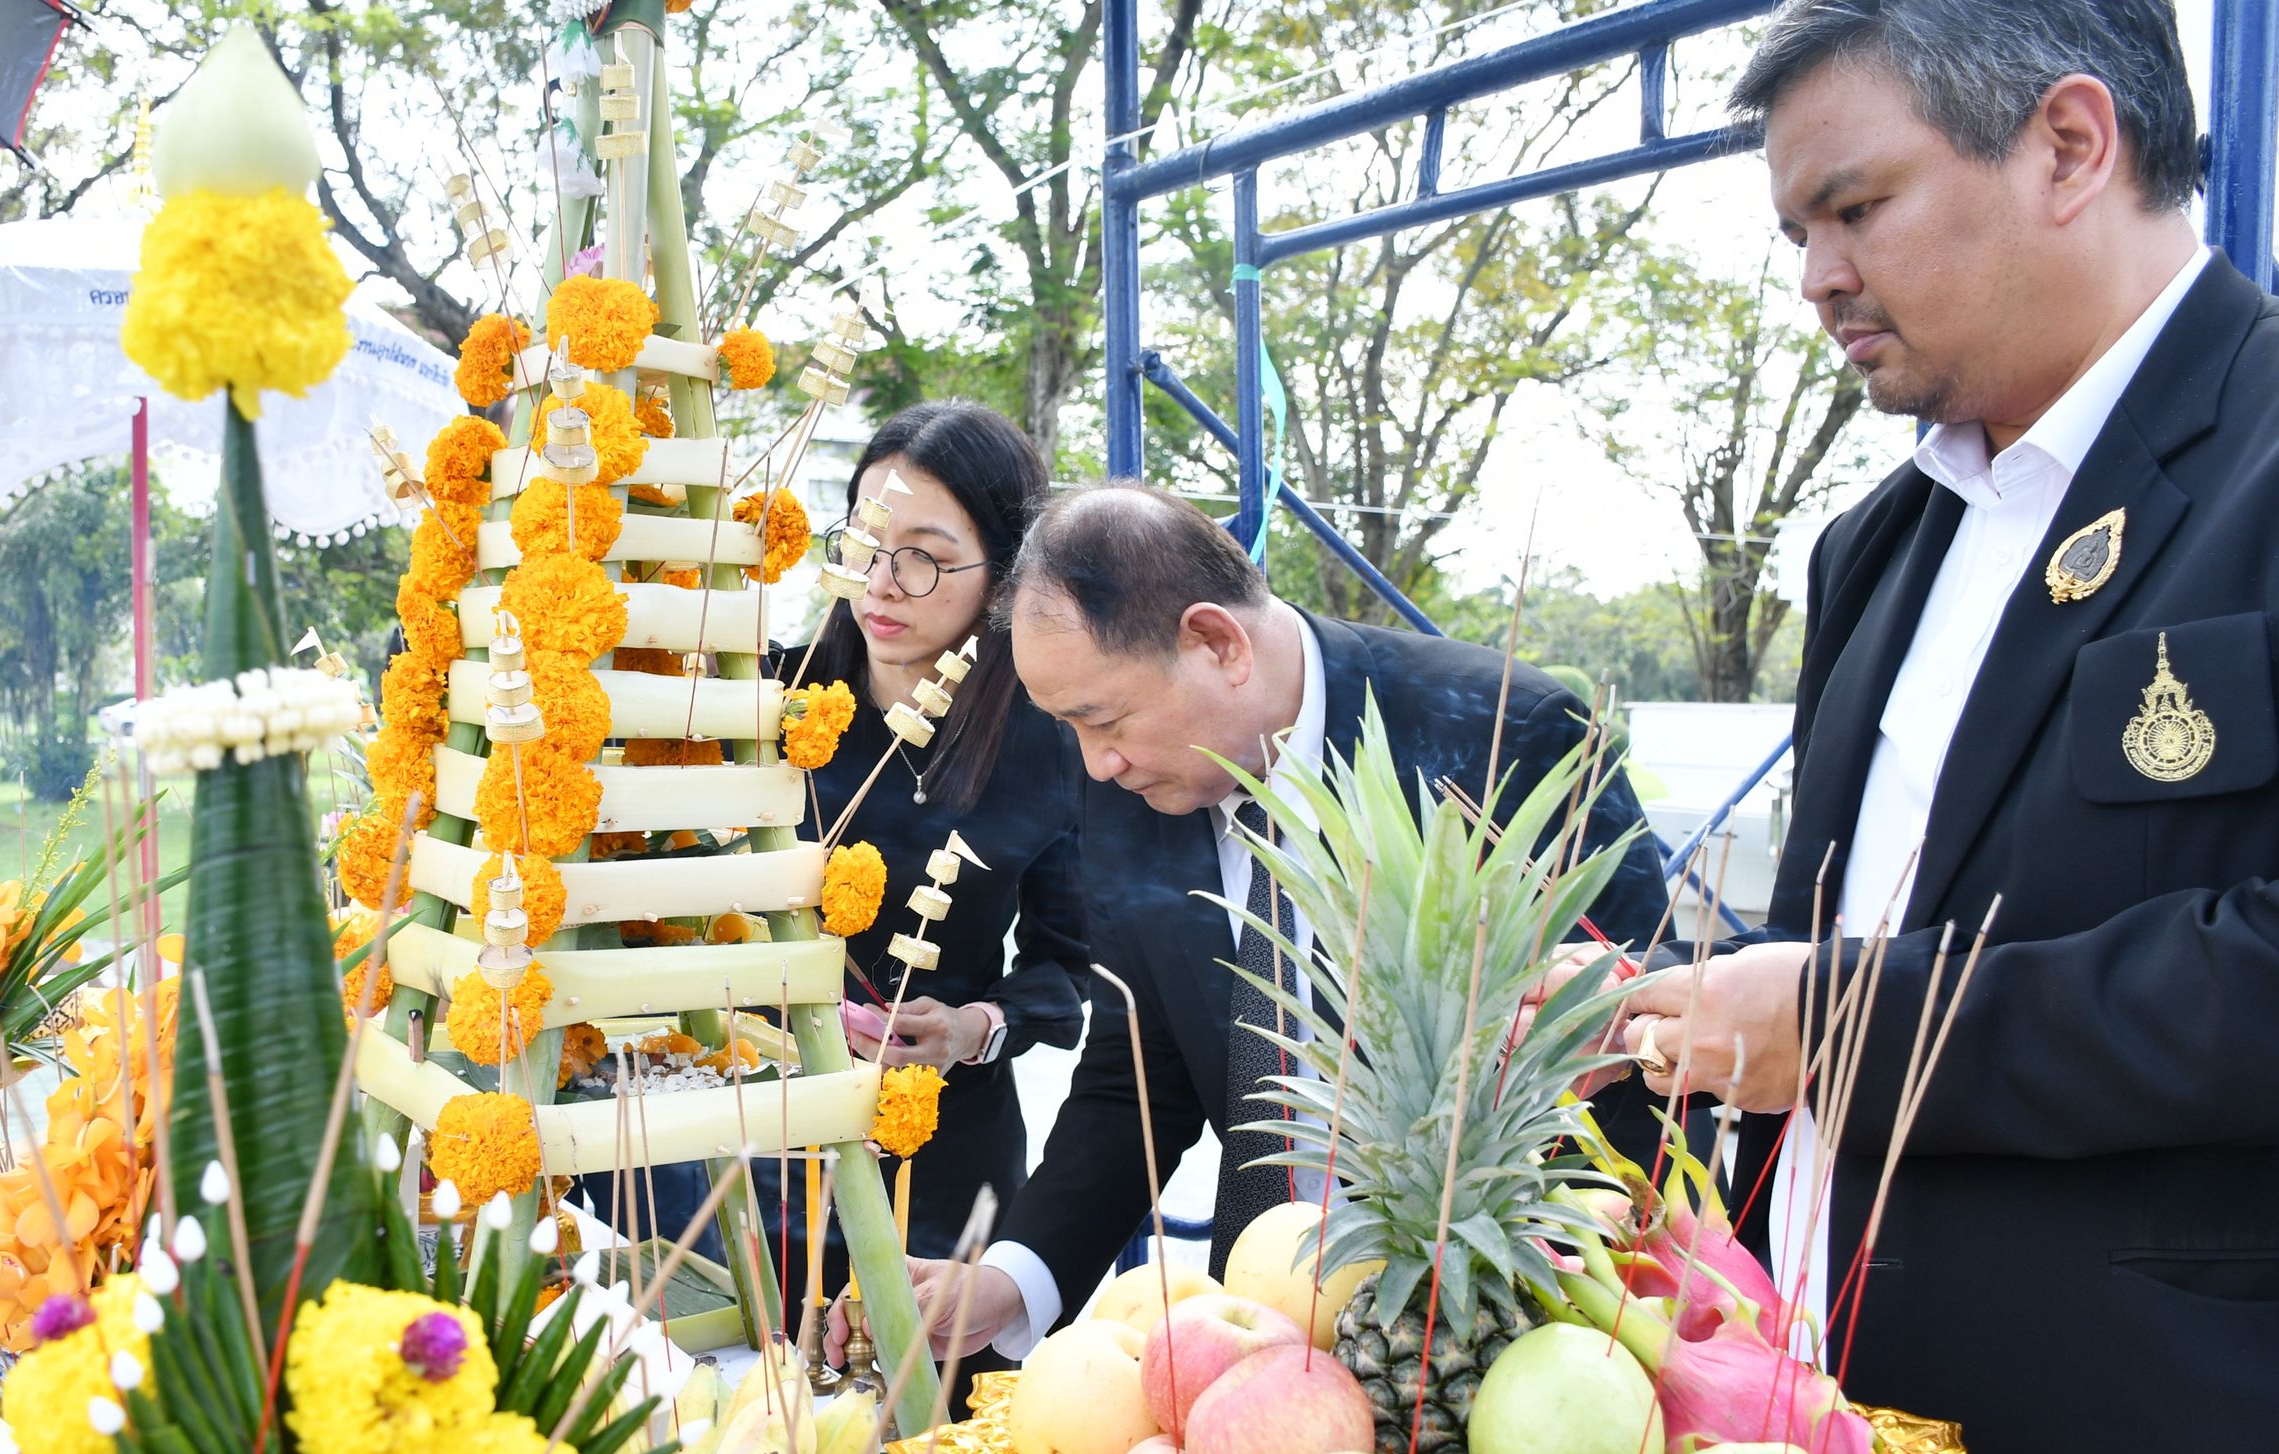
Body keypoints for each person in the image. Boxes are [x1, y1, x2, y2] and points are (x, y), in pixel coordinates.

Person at [1599, 4, 2273, 1454]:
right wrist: (1669, 1017)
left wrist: (1843, 1025)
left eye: (1855, 207)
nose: (1818, 275)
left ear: (2067, 146)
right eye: (1796, 231)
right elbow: (1857, 927)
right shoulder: (1881, 544)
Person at [874, 480, 1670, 1366]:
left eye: (1102, 719)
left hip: (1519, 1340)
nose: (1095, 765)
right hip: (1256, 1341)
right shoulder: (1133, 789)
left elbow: (1648, 1018)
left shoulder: (1501, 732)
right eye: (1070, 729)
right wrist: (1012, 1277)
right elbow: (1135, 1076)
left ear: (1217, 642)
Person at [659, 402, 1089, 1339]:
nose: (884, 582)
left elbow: (1068, 971)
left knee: (914, 1439)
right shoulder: (764, 698)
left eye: (927, 555)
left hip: (938, 1148)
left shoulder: (1051, 741)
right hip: (759, 1137)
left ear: (1006, 575)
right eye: (864, 542)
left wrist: (973, 1026)